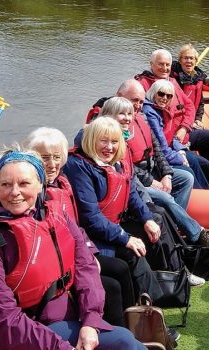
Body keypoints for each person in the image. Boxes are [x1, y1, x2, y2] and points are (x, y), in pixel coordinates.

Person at [0, 147, 145, 349]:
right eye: (5, 184)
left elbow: (85, 264)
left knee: (124, 339)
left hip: (65, 316)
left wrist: (91, 321)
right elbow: (3, 317)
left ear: (40, 184)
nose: (14, 192)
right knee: (124, 342)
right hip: (24, 333)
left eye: (24, 183)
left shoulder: (55, 214)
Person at [23, 127, 137, 327]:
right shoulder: (31, 195)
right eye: (44, 158)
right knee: (110, 286)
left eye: (56, 157)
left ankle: (134, 325)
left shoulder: (61, 184)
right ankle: (116, 334)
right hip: (54, 266)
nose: (51, 164)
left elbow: (75, 228)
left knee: (120, 268)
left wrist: (90, 253)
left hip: (72, 253)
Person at [99, 97, 209, 253]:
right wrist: (152, 182)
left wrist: (167, 174)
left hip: (143, 177)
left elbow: (157, 150)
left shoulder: (131, 128)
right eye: (122, 113)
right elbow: (130, 174)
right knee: (165, 198)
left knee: (186, 177)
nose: (128, 117)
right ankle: (196, 233)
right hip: (134, 185)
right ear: (109, 114)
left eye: (129, 113)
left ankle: (176, 229)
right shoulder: (107, 141)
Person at [63, 117, 164, 302]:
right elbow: (91, 218)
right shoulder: (78, 166)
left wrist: (147, 218)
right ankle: (147, 310)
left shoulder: (116, 163)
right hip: (92, 237)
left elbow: (131, 193)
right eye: (103, 140)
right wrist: (126, 238)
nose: (109, 147)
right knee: (132, 253)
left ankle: (160, 286)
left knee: (156, 223)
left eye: (114, 142)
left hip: (110, 228)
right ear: (91, 140)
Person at [137, 48, 209, 166]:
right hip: (169, 139)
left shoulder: (172, 81)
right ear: (151, 64)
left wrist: (184, 127)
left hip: (183, 132)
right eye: (160, 64)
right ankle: (208, 174)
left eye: (167, 65)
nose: (164, 68)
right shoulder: (143, 84)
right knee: (197, 162)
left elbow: (190, 106)